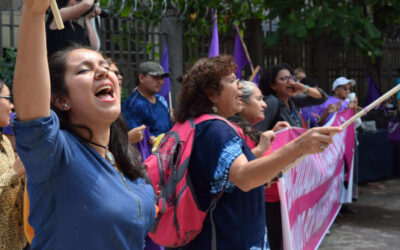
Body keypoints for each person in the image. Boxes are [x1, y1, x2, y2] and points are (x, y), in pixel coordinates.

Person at [12, 0, 155, 248]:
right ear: (61, 100)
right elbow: (33, 109)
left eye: (105, 67)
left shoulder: (125, 159)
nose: (103, 73)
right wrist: (34, 12)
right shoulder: (56, 153)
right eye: (84, 71)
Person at [173, 55, 341, 249]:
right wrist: (299, 145)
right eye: (231, 81)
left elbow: (226, 180)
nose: (239, 86)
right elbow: (243, 177)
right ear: (212, 94)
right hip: (226, 239)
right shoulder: (215, 129)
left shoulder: (196, 124)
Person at [255, 63, 328, 250]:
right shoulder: (271, 102)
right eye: (283, 79)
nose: (290, 82)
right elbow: (256, 135)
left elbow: (322, 97)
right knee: (277, 229)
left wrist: (304, 88)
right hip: (277, 178)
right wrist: (273, 132)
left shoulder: (294, 101)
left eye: (291, 78)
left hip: (294, 175)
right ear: (272, 85)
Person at [0, 80, 27, 249]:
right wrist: (14, 172)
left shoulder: (4, 140)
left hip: (19, 242)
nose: (12, 106)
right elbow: (12, 174)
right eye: (7, 99)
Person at [122, 61, 172, 143]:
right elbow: (135, 135)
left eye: (162, 78)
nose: (160, 82)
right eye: (155, 77)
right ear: (141, 78)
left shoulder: (162, 100)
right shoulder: (132, 104)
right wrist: (150, 139)